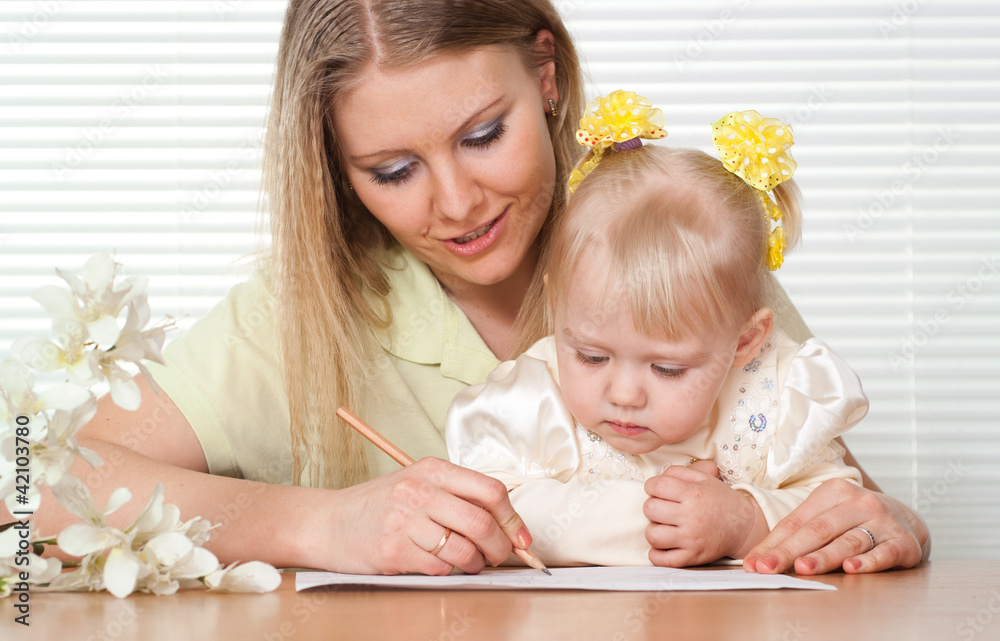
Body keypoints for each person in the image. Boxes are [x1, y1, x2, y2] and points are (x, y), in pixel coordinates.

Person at [31, 0, 927, 576]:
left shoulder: (669, 241)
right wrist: (319, 527)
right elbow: (30, 477)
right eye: (391, 169)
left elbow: (827, 500)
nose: (456, 204)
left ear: (545, 73)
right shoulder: (301, 315)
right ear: (335, 172)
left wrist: (882, 528)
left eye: (483, 134)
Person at [446, 97, 869, 567]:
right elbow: (493, 514)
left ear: (745, 340)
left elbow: (838, 509)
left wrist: (745, 522)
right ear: (556, 306)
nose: (625, 394)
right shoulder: (533, 397)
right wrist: (651, 520)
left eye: (667, 368)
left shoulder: (774, 393)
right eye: (591, 356)